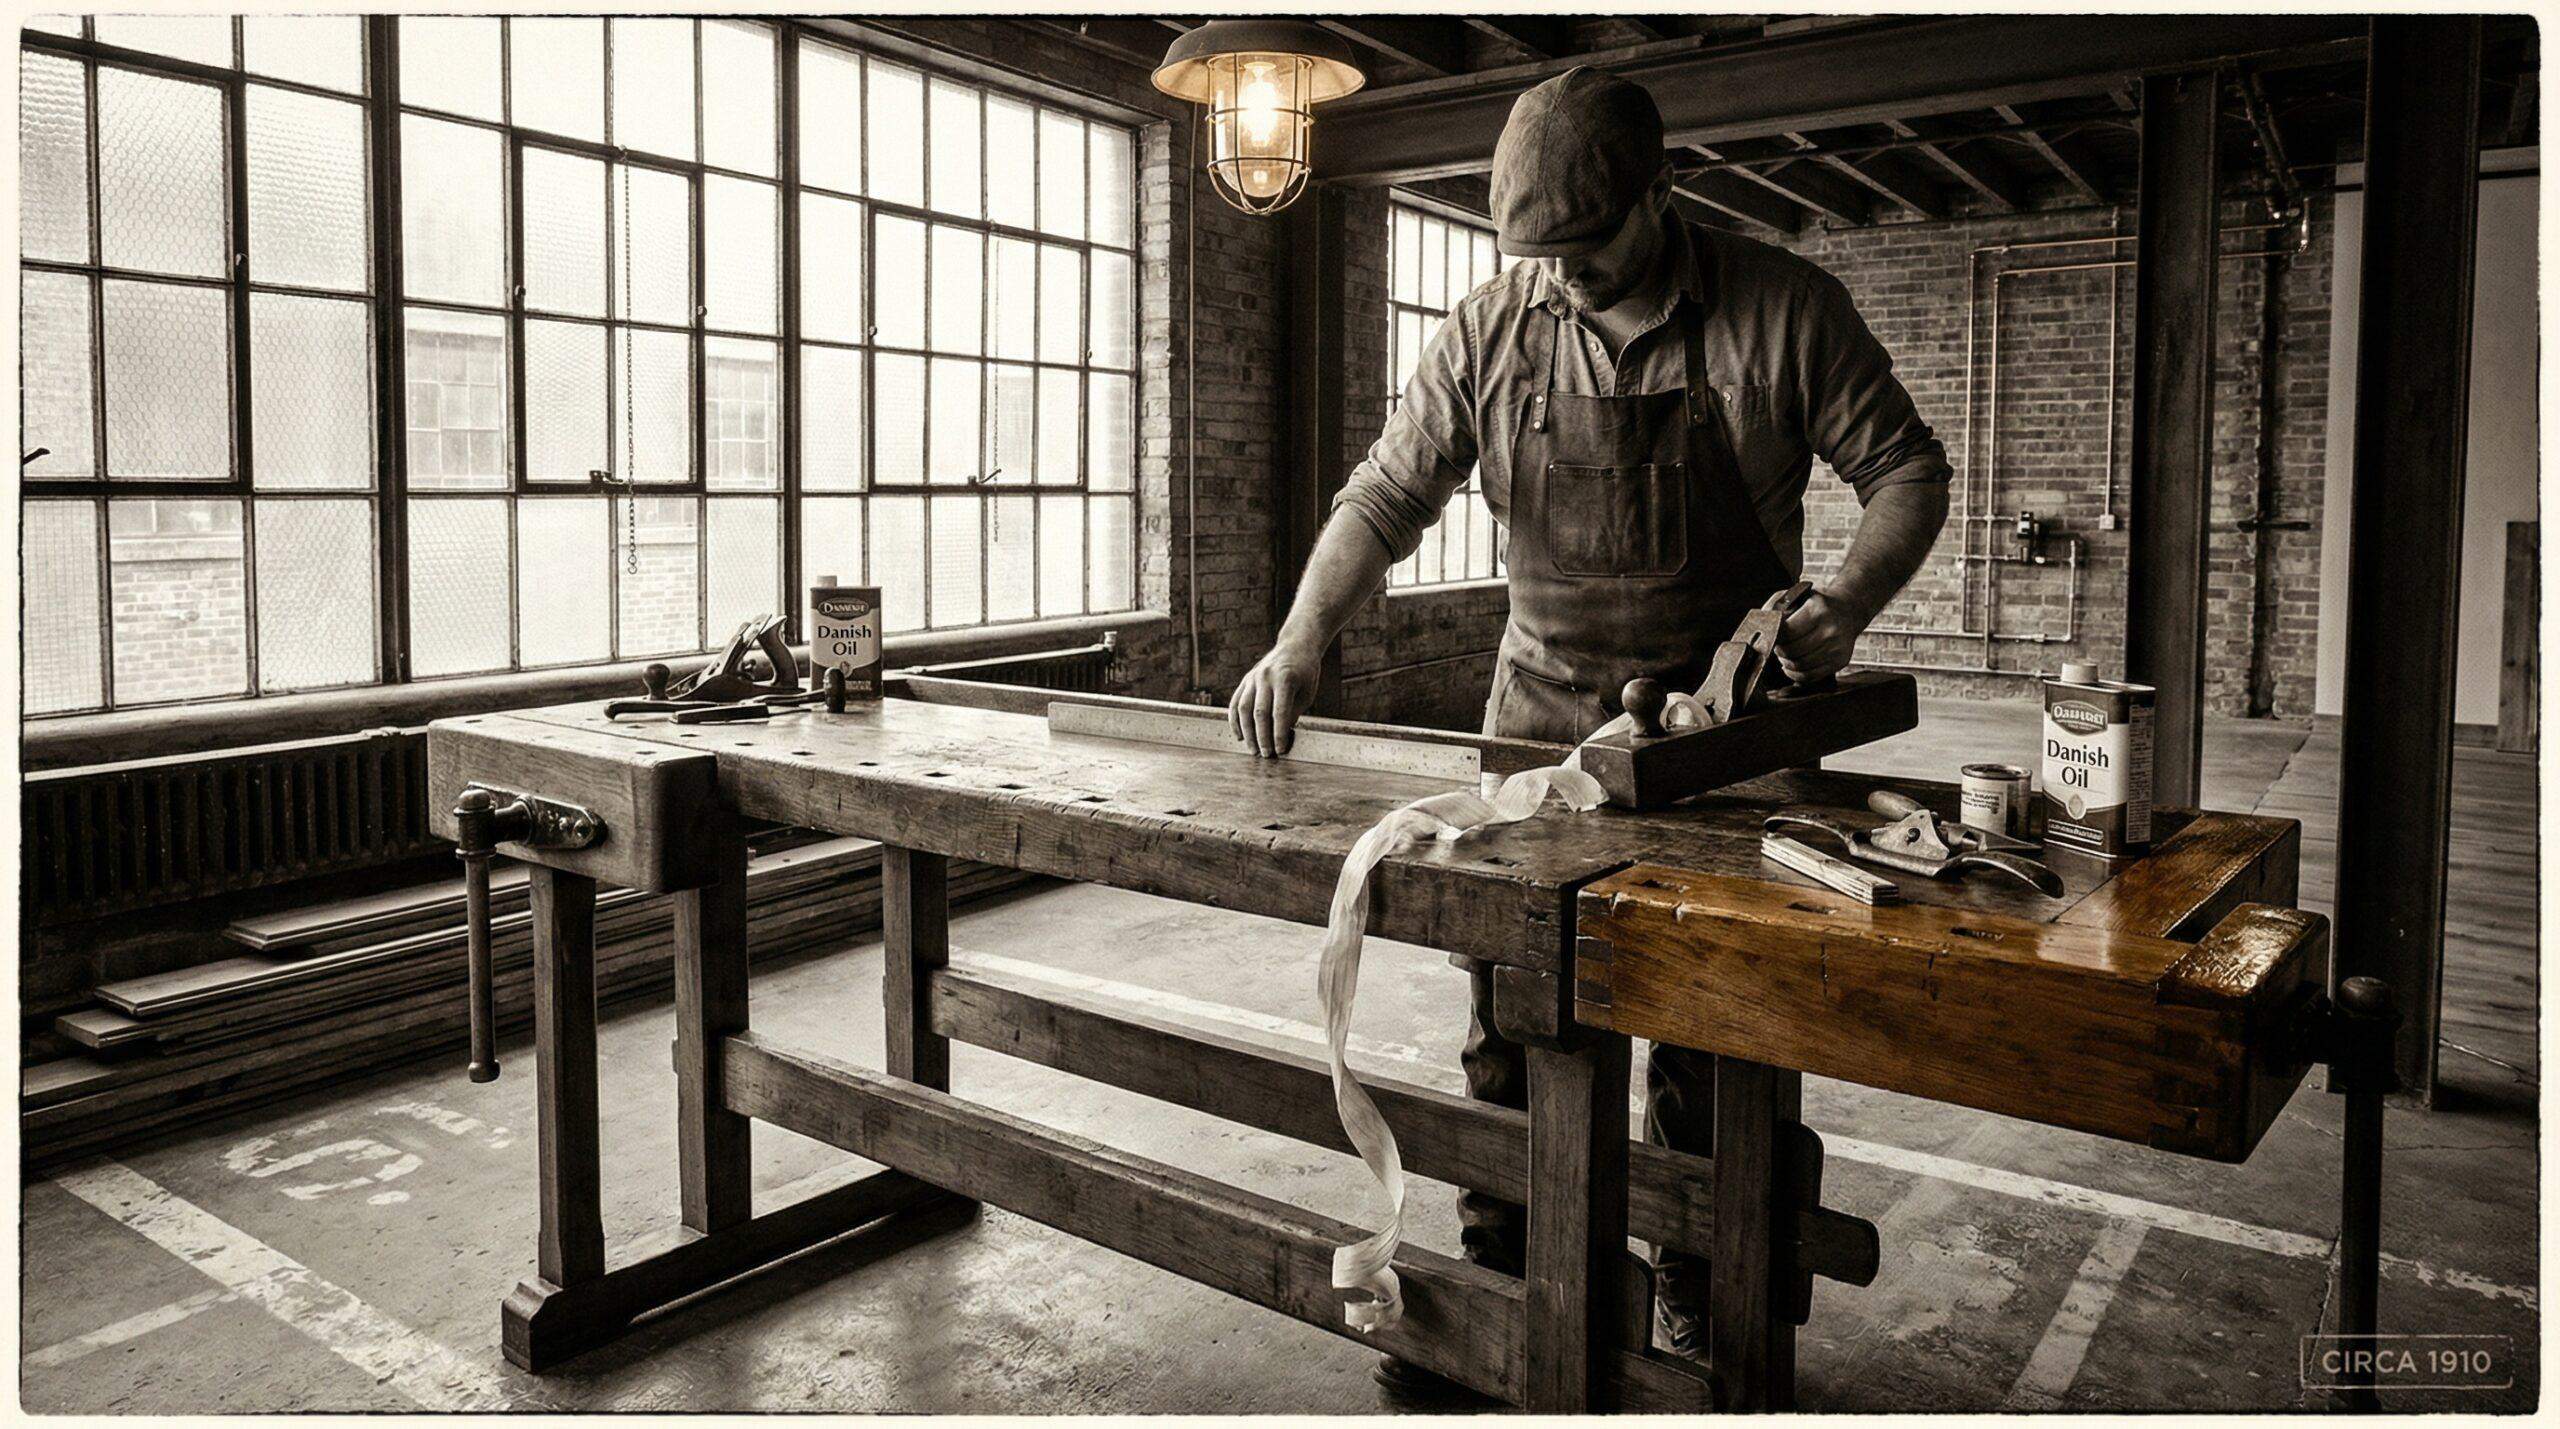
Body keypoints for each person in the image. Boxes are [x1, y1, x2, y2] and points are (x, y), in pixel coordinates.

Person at [1229, 67, 1950, 1390]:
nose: (1557, 278)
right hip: (1538, 758)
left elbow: (1908, 468)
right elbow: (1383, 498)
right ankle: (1507, 1291)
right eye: (1536, 256)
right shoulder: (1497, 326)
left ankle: (1701, 1301)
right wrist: (1298, 639)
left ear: (1660, 197)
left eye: (1582, 248)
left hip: (1723, 759)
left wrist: (1843, 603)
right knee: (1515, 1037)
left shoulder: (1783, 311)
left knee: (1711, 1048)